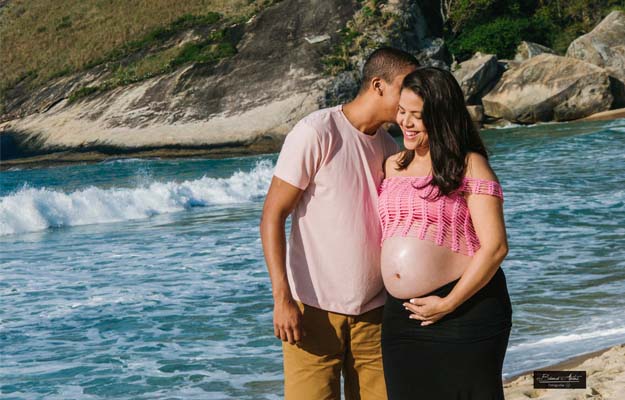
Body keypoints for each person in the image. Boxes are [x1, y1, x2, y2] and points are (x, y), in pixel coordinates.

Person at [259, 47, 418, 400]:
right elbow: (272, 214)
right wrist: (281, 298)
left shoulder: (391, 148)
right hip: (312, 313)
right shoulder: (317, 132)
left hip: (376, 316)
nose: (412, 97)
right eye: (406, 87)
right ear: (378, 85)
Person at [378, 67, 513, 399]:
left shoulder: (469, 166)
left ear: (441, 116)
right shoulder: (392, 165)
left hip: (465, 310)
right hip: (402, 316)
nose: (405, 123)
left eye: (417, 116)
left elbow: (495, 248)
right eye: (402, 112)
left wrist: (449, 303)